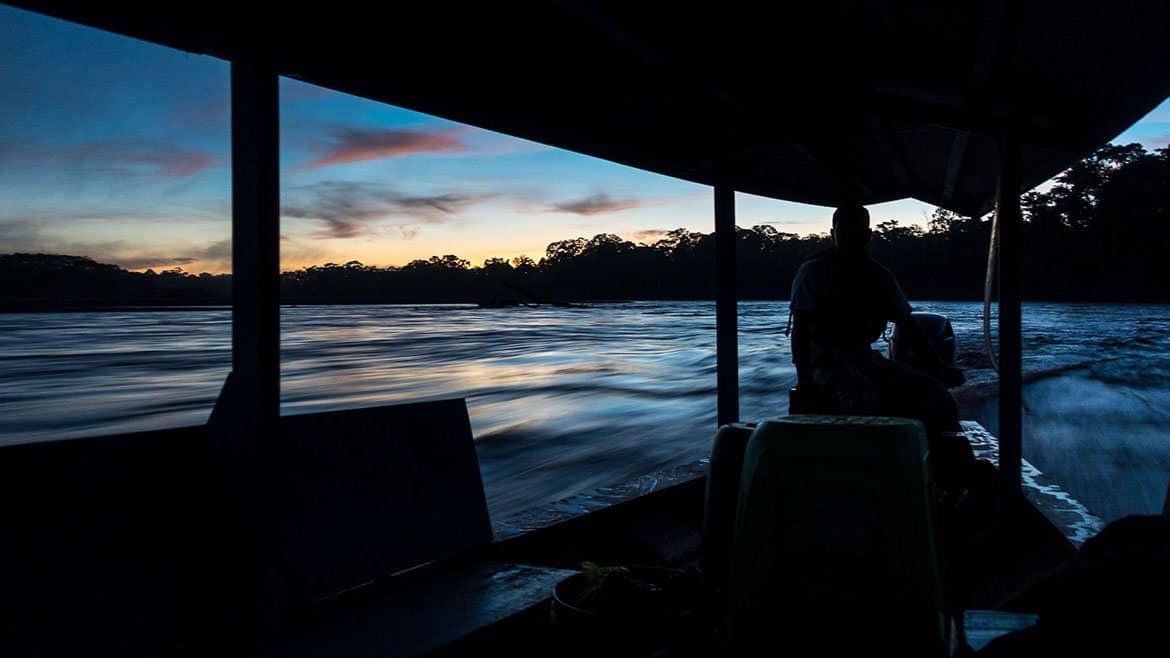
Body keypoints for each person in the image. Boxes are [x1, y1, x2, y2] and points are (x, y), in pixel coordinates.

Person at [789, 204, 965, 436]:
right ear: (833, 233)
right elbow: (800, 331)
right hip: (823, 363)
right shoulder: (813, 272)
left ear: (867, 235)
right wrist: (805, 382)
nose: (849, 236)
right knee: (862, 394)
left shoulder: (879, 276)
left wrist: (940, 369)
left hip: (864, 358)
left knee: (935, 393)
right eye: (843, 230)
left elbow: (909, 327)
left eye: (857, 231)